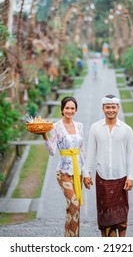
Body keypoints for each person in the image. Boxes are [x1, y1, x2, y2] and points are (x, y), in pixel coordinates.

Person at [84, 94, 133, 237]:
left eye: (113, 107)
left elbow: (131, 155)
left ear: (118, 108)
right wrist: (86, 173)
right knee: (105, 217)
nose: (110, 110)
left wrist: (130, 176)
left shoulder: (127, 130)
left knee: (121, 217)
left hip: (121, 178)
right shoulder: (95, 128)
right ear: (103, 108)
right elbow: (90, 153)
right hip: (102, 178)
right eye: (107, 107)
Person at [41, 96, 85, 237]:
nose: (70, 111)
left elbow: (82, 150)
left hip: (78, 171)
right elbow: (53, 151)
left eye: (72, 108)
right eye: (67, 108)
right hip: (63, 172)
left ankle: (72, 238)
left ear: (76, 110)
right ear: (62, 109)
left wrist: (87, 173)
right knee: (74, 204)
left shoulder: (80, 126)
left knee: (74, 207)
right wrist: (44, 136)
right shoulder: (56, 127)